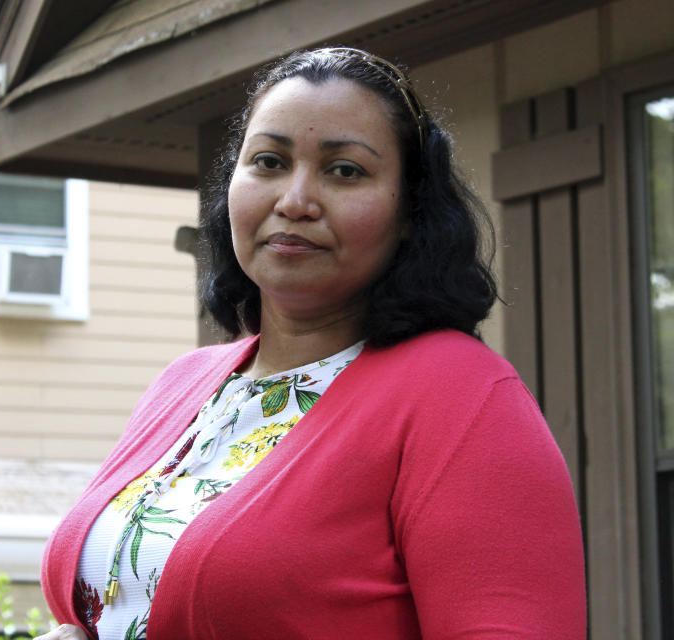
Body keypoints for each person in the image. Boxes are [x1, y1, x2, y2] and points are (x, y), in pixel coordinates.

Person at [37, 47, 586, 640]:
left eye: (345, 170)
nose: (294, 200)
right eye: (269, 162)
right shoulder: (183, 383)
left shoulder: (463, 397)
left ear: (411, 212)